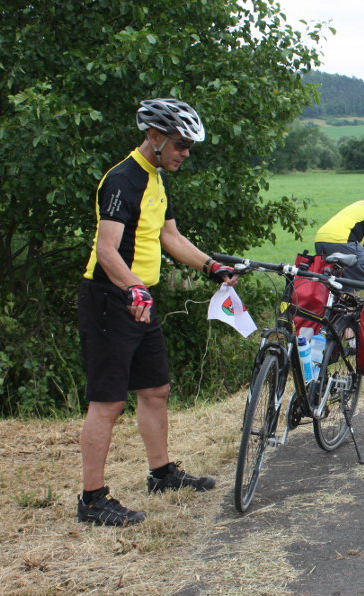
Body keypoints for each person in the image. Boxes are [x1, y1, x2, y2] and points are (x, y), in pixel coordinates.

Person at [78, 99, 237, 526]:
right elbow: (106, 250)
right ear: (154, 137)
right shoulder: (122, 181)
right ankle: (92, 500)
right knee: (108, 402)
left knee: (155, 390)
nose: (186, 153)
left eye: (188, 146)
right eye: (181, 144)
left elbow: (169, 235)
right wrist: (133, 288)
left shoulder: (156, 180)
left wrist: (211, 265)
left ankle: (161, 473)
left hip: (140, 296)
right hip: (111, 298)